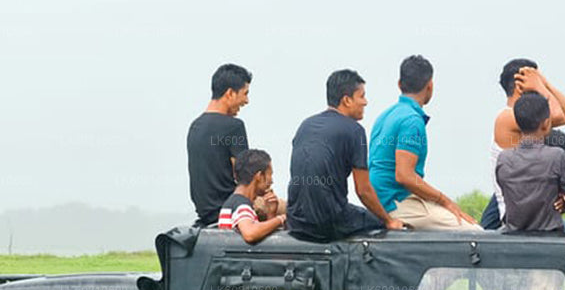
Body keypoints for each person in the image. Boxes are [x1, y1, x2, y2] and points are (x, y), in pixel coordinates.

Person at [481, 58, 565, 233]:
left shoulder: (523, 117)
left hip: (534, 195)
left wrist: (544, 83)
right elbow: (557, 113)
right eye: (536, 78)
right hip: (521, 208)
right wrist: (539, 85)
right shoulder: (507, 117)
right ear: (520, 85)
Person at [287, 69, 405, 242]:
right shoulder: (356, 131)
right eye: (362, 96)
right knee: (379, 222)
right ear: (347, 100)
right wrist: (389, 221)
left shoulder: (305, 125)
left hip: (296, 221)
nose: (365, 102)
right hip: (328, 224)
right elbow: (363, 190)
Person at [369, 55, 480, 230]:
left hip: (379, 199)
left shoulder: (384, 116)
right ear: (430, 86)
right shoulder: (412, 120)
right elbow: (404, 175)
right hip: (395, 202)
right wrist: (445, 201)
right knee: (473, 232)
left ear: (399, 84)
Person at [218, 149, 286, 290]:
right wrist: (280, 219)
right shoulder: (243, 206)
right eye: (270, 174)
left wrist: (269, 214)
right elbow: (249, 233)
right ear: (259, 176)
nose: (272, 180)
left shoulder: (230, 204)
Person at [187, 64, 282, 227]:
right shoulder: (233, 126)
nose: (246, 101)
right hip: (231, 207)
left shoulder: (195, 127)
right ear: (230, 93)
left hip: (206, 212)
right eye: (245, 93)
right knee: (289, 209)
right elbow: (246, 175)